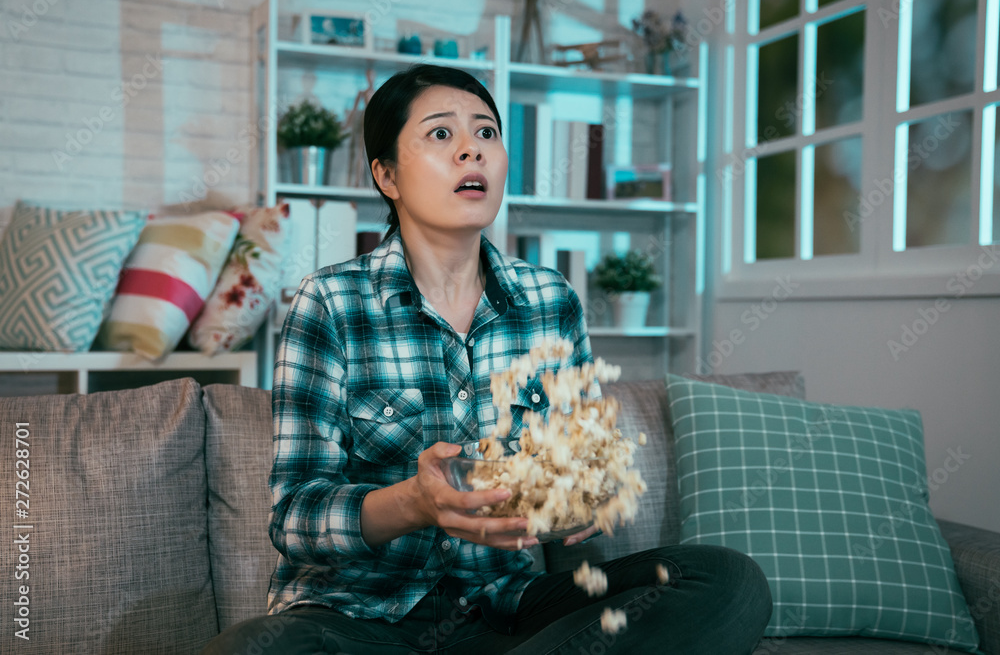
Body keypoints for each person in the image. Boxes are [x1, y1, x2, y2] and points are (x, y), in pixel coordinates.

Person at [202, 64, 772, 654]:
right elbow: (296, 518)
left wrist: (584, 491)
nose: (471, 148)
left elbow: (581, 461)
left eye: (487, 133)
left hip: (509, 613)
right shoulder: (330, 302)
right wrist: (416, 503)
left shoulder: (550, 301)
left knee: (725, 582)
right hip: (360, 618)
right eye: (441, 134)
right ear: (387, 175)